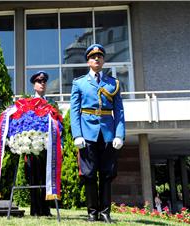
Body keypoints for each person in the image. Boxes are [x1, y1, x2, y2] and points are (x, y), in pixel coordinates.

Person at [70, 44, 125, 223]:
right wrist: (77, 134)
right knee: (89, 174)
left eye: (100, 56)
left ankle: (105, 212)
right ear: (88, 61)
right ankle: (92, 212)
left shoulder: (113, 83)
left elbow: (119, 112)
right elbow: (74, 111)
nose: (97, 59)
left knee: (107, 174)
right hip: (87, 134)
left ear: (103, 60)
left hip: (108, 134)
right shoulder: (79, 83)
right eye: (93, 57)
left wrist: (119, 134)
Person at [25, 71, 51, 216]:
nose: (42, 84)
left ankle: (46, 209)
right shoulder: (28, 103)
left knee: (46, 177)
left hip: (48, 147)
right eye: (39, 82)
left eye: (44, 82)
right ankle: (35, 209)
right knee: (34, 177)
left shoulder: (51, 103)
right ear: (34, 85)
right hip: (33, 148)